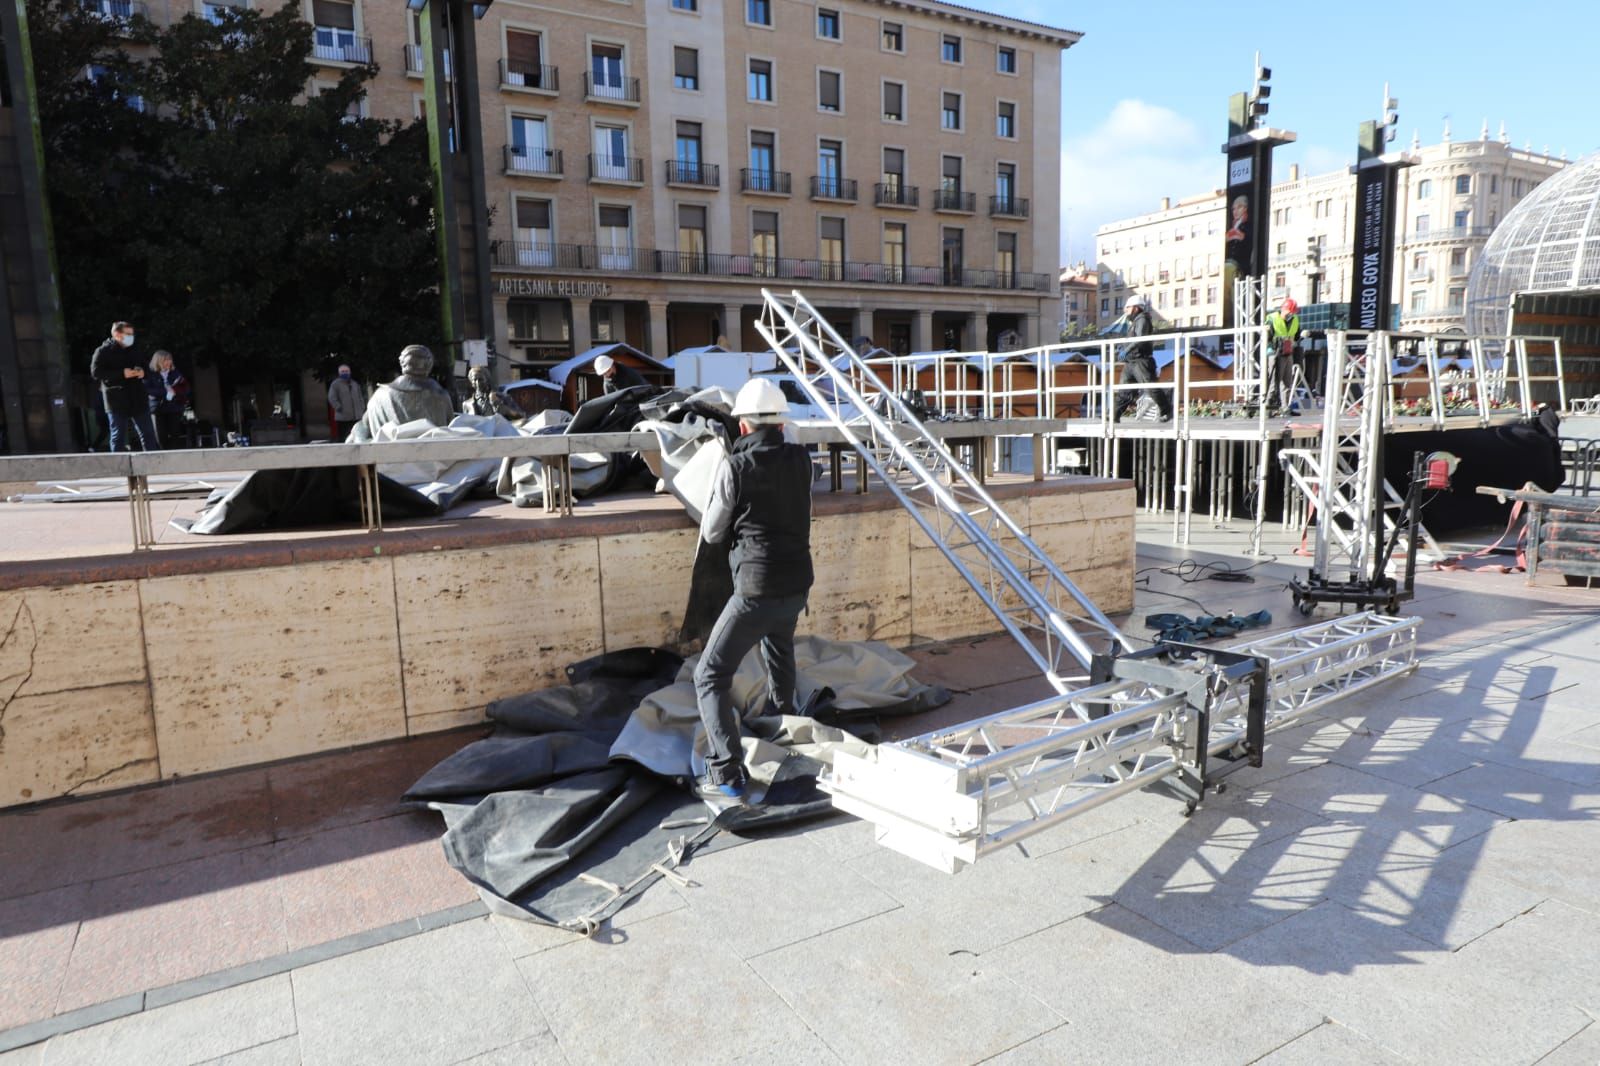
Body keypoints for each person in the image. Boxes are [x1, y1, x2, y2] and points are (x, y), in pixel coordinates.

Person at [692, 377, 815, 803]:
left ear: (742, 426)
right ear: (782, 423)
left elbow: (711, 533)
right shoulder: (803, 461)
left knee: (709, 675)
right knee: (779, 649)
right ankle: (786, 728)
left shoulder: (733, 466)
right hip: (797, 584)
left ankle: (727, 771)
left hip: (756, 589)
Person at [347, 345, 455, 442]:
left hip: (388, 460)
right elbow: (452, 429)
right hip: (439, 460)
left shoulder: (379, 395)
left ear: (402, 363)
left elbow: (363, 426)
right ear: (429, 366)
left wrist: (358, 435)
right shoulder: (441, 396)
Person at [90, 321, 157, 451]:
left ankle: (152, 464)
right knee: (118, 435)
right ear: (117, 334)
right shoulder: (103, 351)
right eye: (127, 334)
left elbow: (147, 367)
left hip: (137, 397)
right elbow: (96, 373)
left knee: (147, 433)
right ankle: (118, 468)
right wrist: (122, 374)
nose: (131, 337)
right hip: (116, 399)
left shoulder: (135, 349)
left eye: (132, 334)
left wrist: (143, 373)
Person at [1113, 295, 1172, 422]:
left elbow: (1140, 339)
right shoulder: (1135, 322)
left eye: (1128, 307)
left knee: (1150, 388)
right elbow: (1132, 340)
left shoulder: (1142, 320)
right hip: (1131, 361)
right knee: (1125, 390)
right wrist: (1123, 348)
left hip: (1141, 361)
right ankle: (1114, 415)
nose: (1125, 310)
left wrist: (1126, 350)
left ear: (1135, 308)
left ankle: (1167, 411)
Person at [145, 350, 191, 448]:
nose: (168, 362)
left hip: (174, 407)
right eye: (165, 360)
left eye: (170, 359)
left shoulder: (175, 372)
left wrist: (176, 391)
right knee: (160, 436)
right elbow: (146, 389)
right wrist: (165, 392)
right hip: (157, 408)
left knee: (175, 434)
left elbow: (186, 388)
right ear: (158, 361)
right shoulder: (150, 374)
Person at [1267, 297, 1303, 410]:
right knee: (1274, 380)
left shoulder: (1295, 320)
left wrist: (1300, 338)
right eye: (1290, 312)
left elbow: (1297, 336)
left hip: (1288, 352)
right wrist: (1275, 345)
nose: (1291, 314)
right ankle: (1269, 404)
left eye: (1293, 312)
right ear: (1284, 309)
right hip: (1275, 353)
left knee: (1287, 381)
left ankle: (1285, 406)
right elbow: (1266, 337)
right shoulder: (1272, 318)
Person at [461, 364, 525, 420]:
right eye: (474, 380)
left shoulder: (502, 397)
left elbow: (521, 415)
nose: (477, 383)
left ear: (487, 380)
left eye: (481, 379)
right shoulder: (466, 404)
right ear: (471, 383)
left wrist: (500, 405)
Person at [327, 364, 366, 442]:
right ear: (339, 373)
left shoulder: (355, 384)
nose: (345, 373)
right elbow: (331, 397)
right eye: (343, 371)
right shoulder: (335, 384)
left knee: (357, 436)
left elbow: (360, 397)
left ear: (350, 372)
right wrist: (339, 407)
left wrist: (362, 407)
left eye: (346, 371)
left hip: (356, 416)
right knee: (343, 437)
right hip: (343, 417)